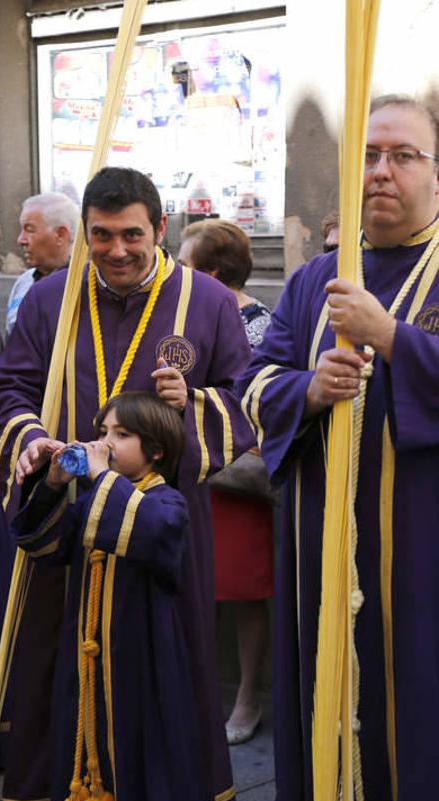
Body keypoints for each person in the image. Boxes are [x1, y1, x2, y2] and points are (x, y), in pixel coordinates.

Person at [0, 166, 255, 801]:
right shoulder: (50, 297)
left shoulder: (205, 301)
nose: (115, 251)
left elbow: (243, 403)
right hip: (68, 539)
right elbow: (8, 390)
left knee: (165, 682)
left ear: (159, 229)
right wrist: (35, 441)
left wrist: (190, 406)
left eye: (131, 234)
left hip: (164, 540)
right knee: (50, 682)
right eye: (100, 235)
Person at [237, 94, 439, 801]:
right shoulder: (318, 277)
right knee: (327, 715)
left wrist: (395, 340)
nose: (381, 172)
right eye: (369, 155)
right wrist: (309, 392)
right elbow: (254, 385)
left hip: (423, 562)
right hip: (321, 559)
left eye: (403, 155)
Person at [11, 391, 209, 801]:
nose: (106, 443)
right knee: (87, 751)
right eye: (103, 433)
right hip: (88, 665)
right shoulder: (99, 497)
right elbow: (42, 545)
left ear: (157, 450)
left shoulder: (168, 502)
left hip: (144, 667)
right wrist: (54, 484)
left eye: (121, 435)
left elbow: (150, 529)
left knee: (147, 764)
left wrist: (98, 475)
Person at [179, 219, 273, 744]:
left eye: (185, 263)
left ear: (213, 274)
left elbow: (263, 401)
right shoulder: (186, 312)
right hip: (193, 467)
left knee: (242, 588)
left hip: (238, 475)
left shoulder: (258, 323)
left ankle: (247, 698)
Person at [5, 192, 78, 338]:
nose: (21, 240)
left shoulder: (82, 286)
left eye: (30, 230)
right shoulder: (23, 283)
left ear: (60, 235)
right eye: (22, 229)